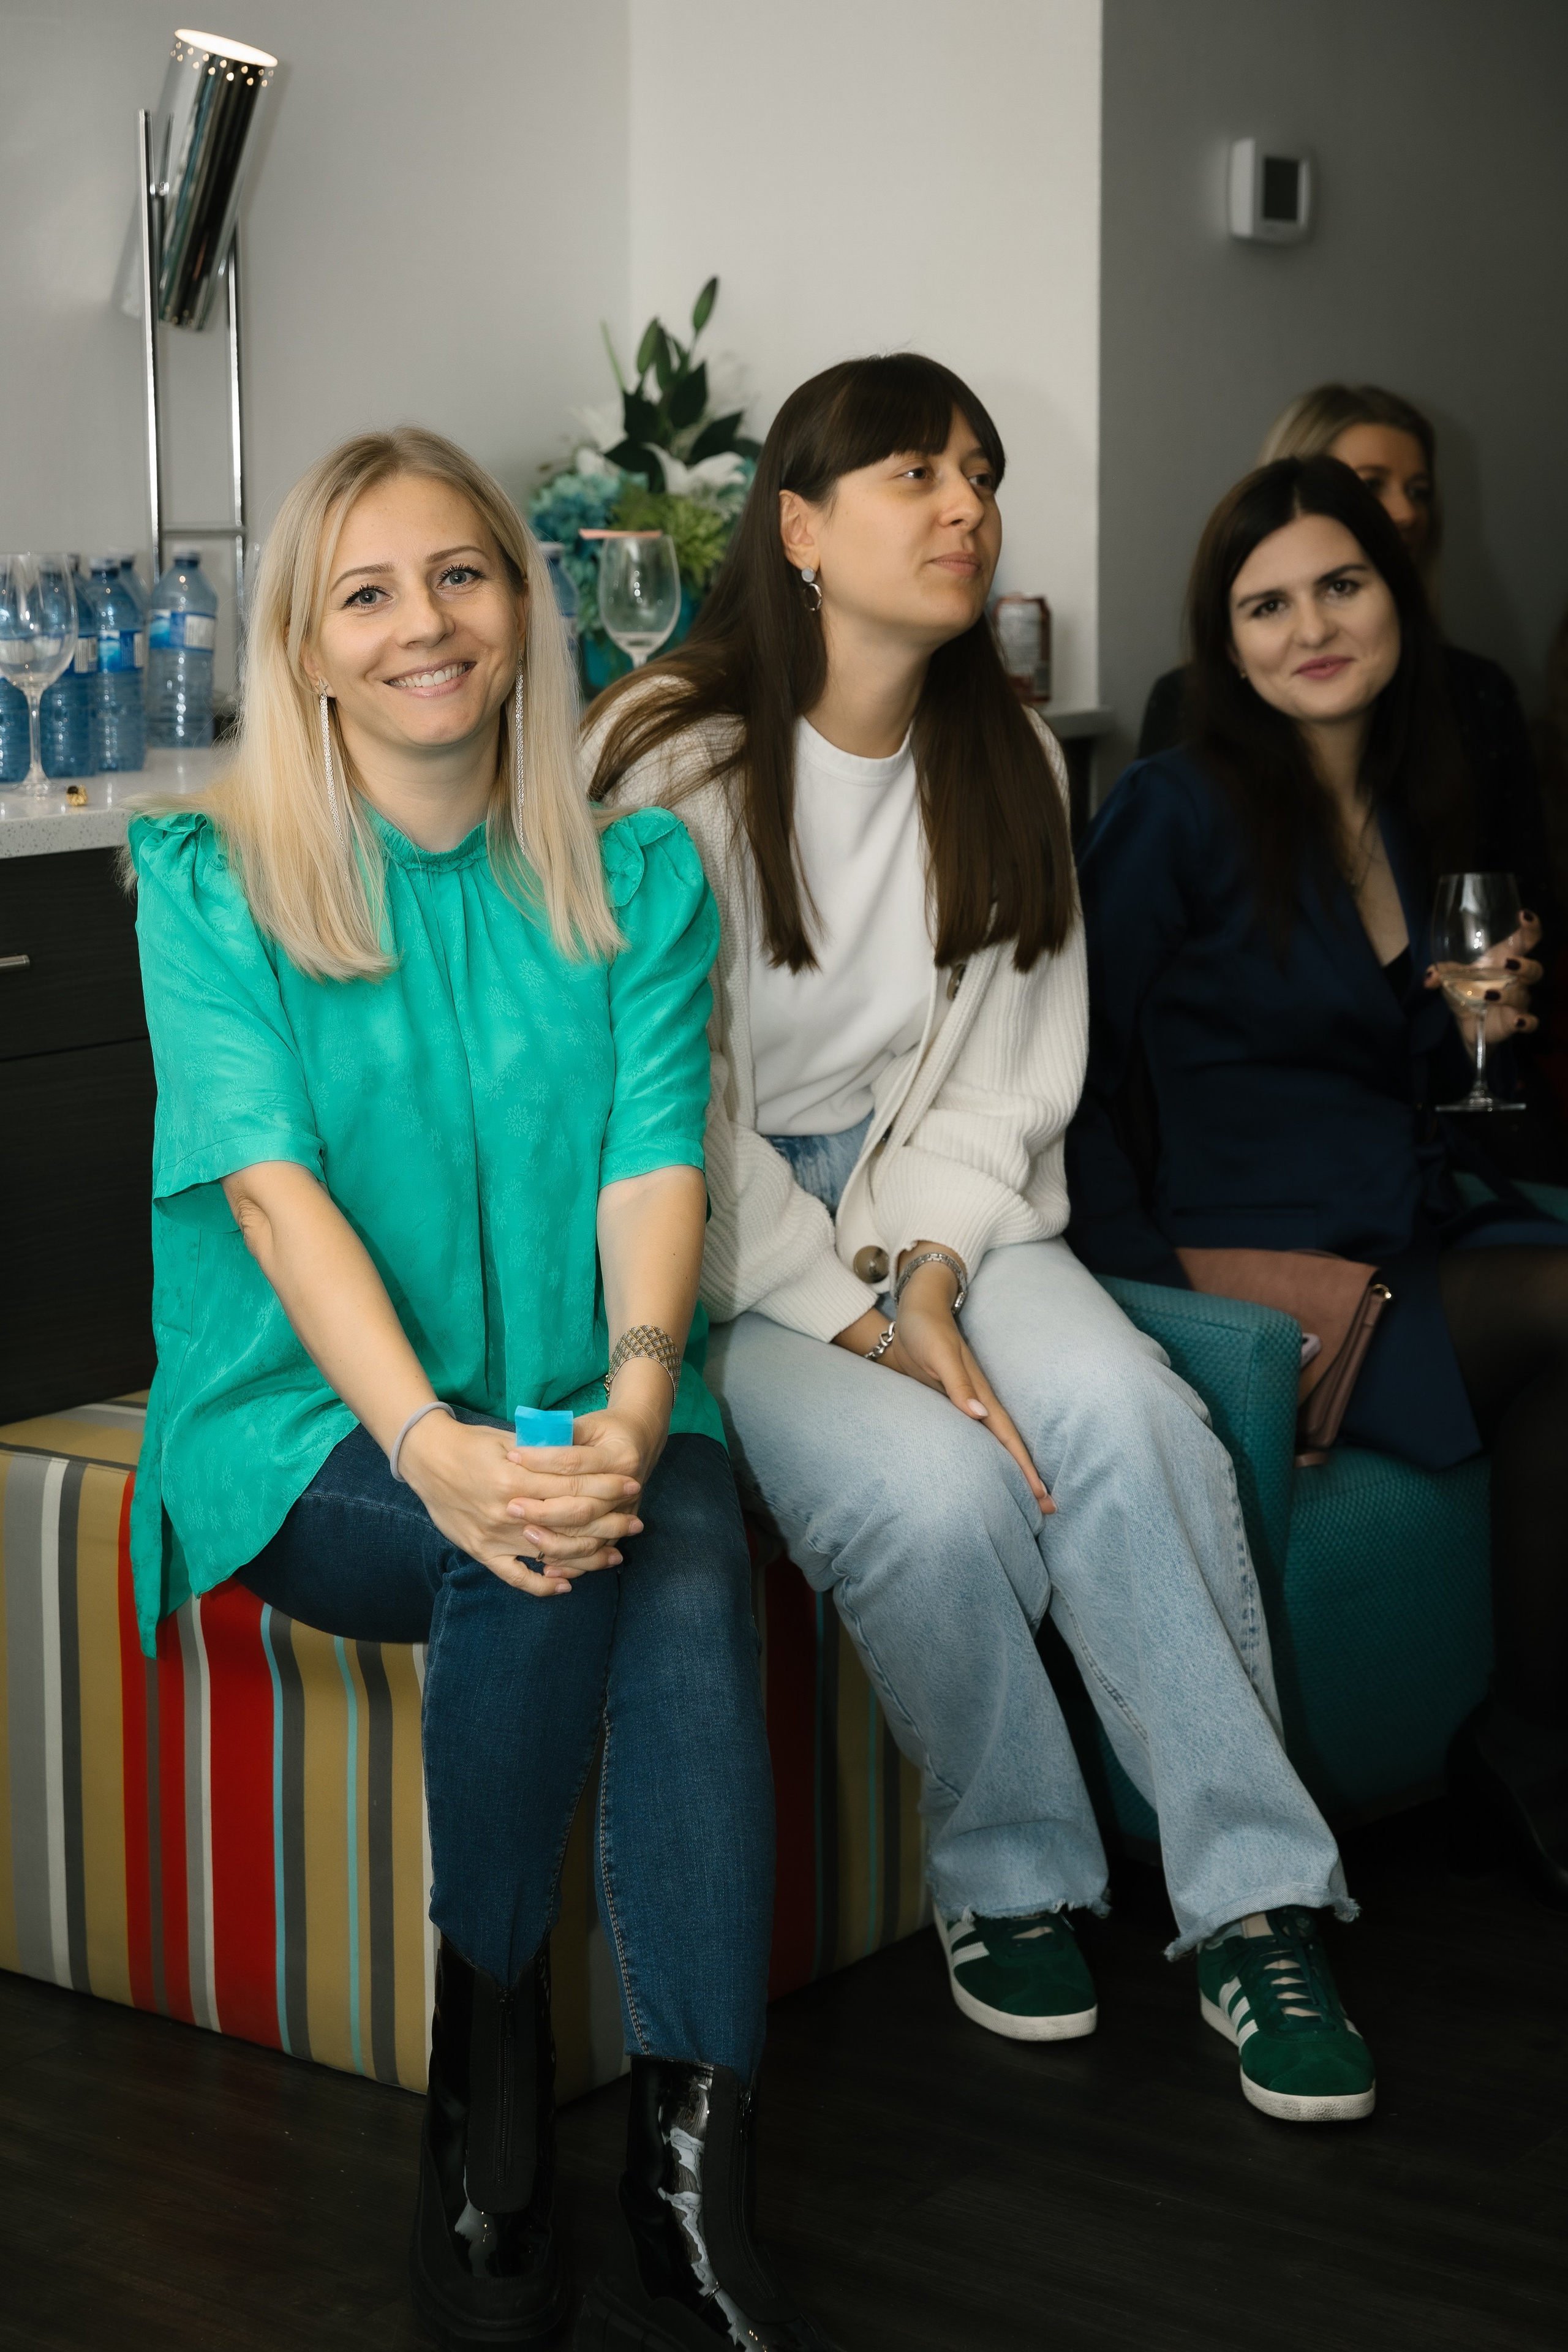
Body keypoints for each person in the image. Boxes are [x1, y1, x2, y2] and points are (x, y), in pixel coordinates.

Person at [587, 352, 1376, 2129]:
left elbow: (1012, 1076)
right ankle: (1007, 1870)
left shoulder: (1007, 748)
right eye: (914, 476)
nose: (966, 508)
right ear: (798, 528)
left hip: (939, 1194)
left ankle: (1254, 1904)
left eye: (980, 474)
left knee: (1127, 1418)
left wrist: (932, 1271)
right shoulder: (660, 757)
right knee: (933, 1493)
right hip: (717, 1240)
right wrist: (862, 1320)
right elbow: (653, 1112)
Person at [126, 428, 840, 2352]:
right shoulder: (212, 881)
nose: (422, 623)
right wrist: (432, 1445)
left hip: (590, 1390)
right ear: (306, 645)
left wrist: (635, 1396)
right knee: (531, 1540)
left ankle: (685, 2176)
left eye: (460, 574)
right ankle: (495, 2082)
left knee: (661, 1549)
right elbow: (270, 1197)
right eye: (365, 593)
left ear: (525, 608)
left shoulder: (633, 873)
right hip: (309, 1425)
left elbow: (651, 1168)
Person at [1068, 455, 1568, 1917]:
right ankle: (1525, 1753)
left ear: (1391, 594)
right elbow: (1072, 1082)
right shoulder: (1169, 808)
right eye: (1265, 605)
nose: (1310, 628)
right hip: (1263, 1275)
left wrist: (1487, 1026)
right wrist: (1153, 1327)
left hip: (1403, 1222)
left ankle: (1527, 1745)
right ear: (1223, 647)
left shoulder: (1409, 811)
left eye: (1338, 585)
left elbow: (1428, 1084)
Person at [1138, 386, 1558, 976]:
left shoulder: (1468, 701)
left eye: (1419, 491)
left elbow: (1514, 912)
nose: (1405, 512)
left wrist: (1490, 1004)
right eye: (1370, 485)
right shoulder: (1171, 781)